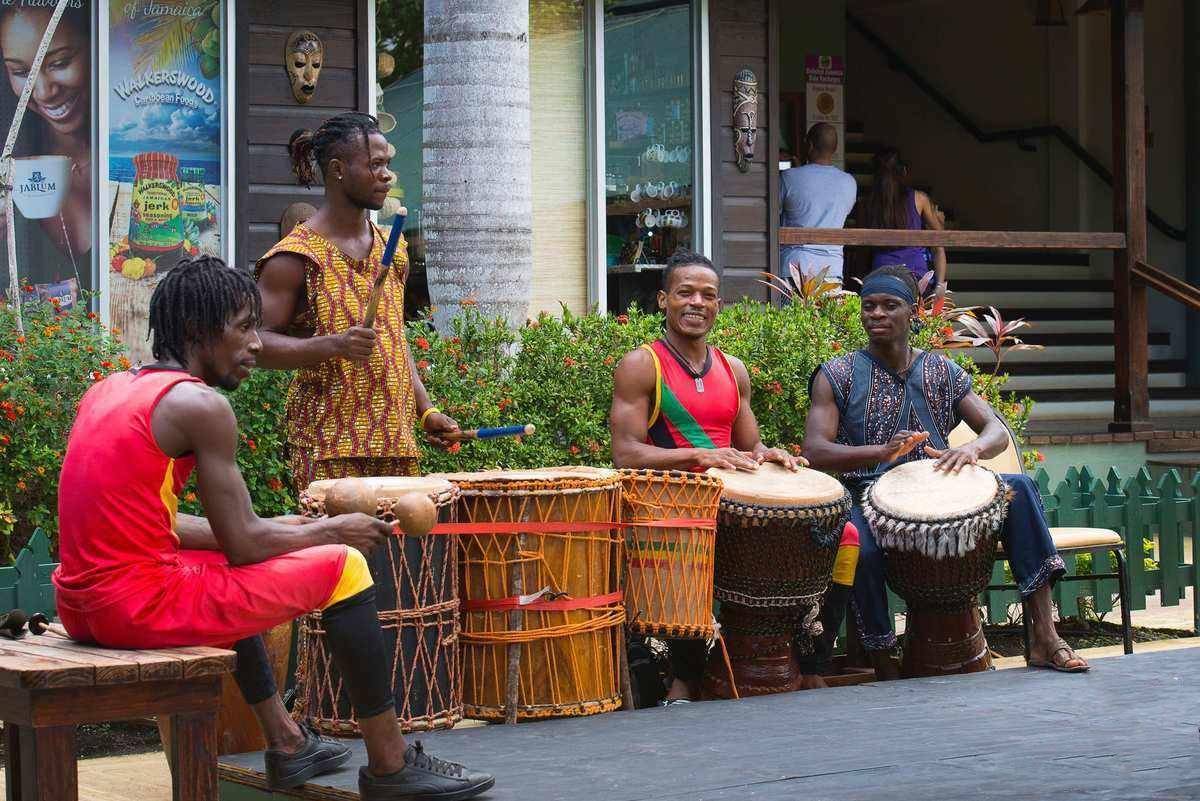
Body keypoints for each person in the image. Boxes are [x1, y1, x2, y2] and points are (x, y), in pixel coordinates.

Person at [52, 257, 495, 801]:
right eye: (244, 327)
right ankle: (390, 765)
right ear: (197, 331)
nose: (258, 344)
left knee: (227, 566)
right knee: (346, 569)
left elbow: (158, 523)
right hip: (133, 609)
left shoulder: (111, 389)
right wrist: (331, 533)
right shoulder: (199, 405)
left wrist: (281, 525)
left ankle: (287, 741)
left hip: (83, 606)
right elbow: (244, 546)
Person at [802, 265, 1089, 679]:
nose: (876, 314)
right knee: (860, 551)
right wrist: (880, 451)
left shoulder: (943, 372)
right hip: (866, 491)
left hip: (941, 487)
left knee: (1021, 488)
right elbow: (815, 449)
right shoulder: (838, 374)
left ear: (913, 313)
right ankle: (883, 659)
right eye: (869, 307)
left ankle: (1045, 637)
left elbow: (996, 431)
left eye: (889, 305)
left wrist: (971, 448)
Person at [609, 250, 805, 704]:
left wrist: (770, 454)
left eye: (708, 295)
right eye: (685, 293)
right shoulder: (643, 365)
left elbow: (749, 445)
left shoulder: (733, 369)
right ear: (663, 300)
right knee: (690, 541)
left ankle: (797, 662)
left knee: (842, 533)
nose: (697, 302)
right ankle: (686, 678)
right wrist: (702, 454)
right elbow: (625, 453)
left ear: (718, 305)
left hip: (732, 498)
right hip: (672, 502)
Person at [255, 112, 457, 493]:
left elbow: (393, 338)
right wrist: (332, 345)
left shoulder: (392, 248)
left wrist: (425, 408)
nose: (387, 175)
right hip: (328, 447)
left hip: (396, 443)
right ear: (338, 170)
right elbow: (256, 342)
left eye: (388, 165)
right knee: (342, 555)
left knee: (397, 552)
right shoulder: (295, 257)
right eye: (375, 164)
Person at [0, 4, 92, 309]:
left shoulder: (127, 160)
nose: (42, 91)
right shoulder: (10, 163)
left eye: (60, 62)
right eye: (21, 71)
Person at [779, 123, 858, 282]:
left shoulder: (788, 178)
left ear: (809, 145)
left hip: (795, 268)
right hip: (831, 270)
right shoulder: (849, 182)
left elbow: (775, 214)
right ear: (834, 149)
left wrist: (797, 171)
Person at [861, 148, 947, 293]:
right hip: (915, 276)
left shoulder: (866, 203)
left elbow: (862, 250)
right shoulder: (919, 199)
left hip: (880, 275)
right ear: (904, 172)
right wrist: (941, 220)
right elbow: (940, 242)